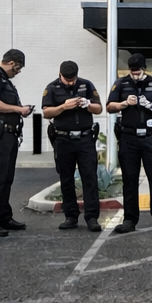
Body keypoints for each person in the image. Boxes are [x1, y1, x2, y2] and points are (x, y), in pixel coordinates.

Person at [106, 54, 152, 233]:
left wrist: (151, 106)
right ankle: (130, 219)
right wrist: (124, 104)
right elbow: (109, 106)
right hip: (128, 137)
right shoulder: (121, 83)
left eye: (138, 71)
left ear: (144, 69)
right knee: (129, 179)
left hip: (150, 137)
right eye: (132, 72)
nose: (135, 75)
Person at [41, 60, 103, 232]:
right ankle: (70, 216)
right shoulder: (52, 88)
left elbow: (99, 109)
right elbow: (46, 112)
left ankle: (92, 217)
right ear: (60, 75)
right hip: (63, 139)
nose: (70, 82)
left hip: (85, 139)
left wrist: (88, 105)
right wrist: (63, 106)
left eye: (73, 79)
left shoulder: (86, 85)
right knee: (66, 179)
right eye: (67, 80)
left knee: (89, 178)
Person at [0, 50, 32, 237]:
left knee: (7, 178)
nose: (17, 72)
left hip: (9, 134)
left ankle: (4, 217)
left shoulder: (5, 81)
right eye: (17, 69)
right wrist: (19, 109)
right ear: (11, 62)